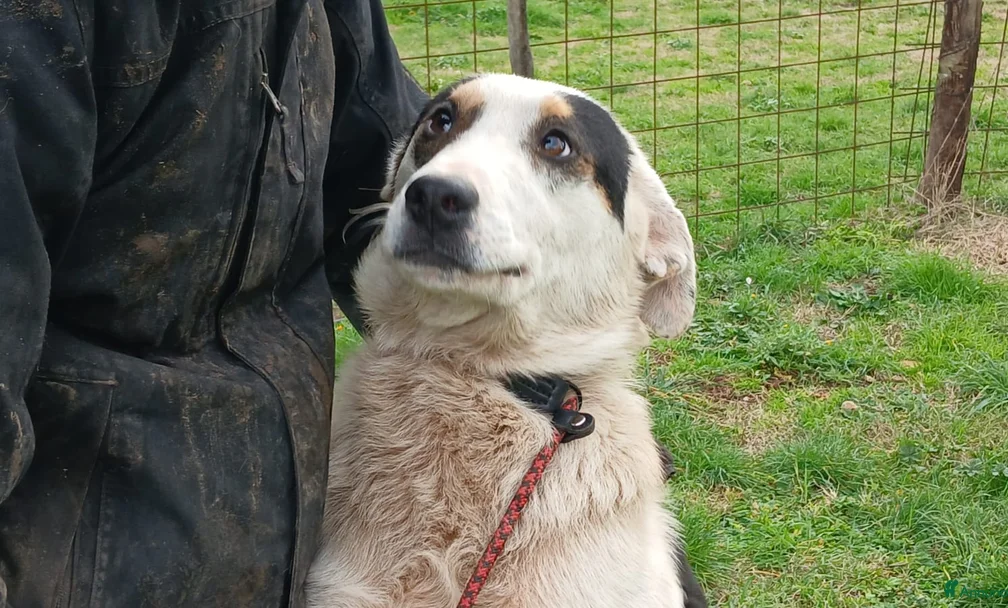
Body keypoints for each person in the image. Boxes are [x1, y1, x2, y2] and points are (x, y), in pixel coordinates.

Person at [0, 0, 706, 606]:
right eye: (442, 129)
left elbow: (371, 134)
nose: (441, 181)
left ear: (653, 244)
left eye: (554, 146)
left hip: (272, 467)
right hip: (93, 510)